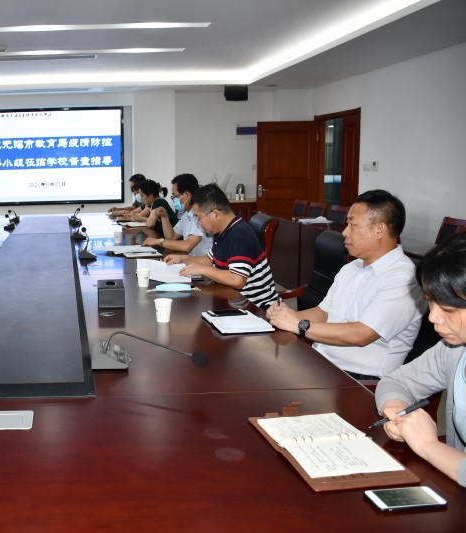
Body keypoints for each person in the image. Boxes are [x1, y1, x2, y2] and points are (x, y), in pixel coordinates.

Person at [267, 189, 425, 379]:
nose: (345, 232)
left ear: (379, 230)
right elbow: (324, 312)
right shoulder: (352, 267)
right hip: (322, 361)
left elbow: (361, 335)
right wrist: (284, 317)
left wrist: (299, 325)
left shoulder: (404, 279)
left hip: (360, 379)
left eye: (352, 224)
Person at [375, 232, 466, 487]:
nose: (433, 318)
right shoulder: (453, 350)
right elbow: (397, 382)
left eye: (448, 309)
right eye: (431, 303)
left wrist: (428, 445)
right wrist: (396, 411)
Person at [166, 183, 278, 310]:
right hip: (233, 299)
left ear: (216, 214)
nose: (198, 223)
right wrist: (183, 259)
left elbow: (237, 280)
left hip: (257, 308)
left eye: (199, 218)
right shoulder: (222, 231)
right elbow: (210, 260)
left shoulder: (240, 235)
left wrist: (202, 269)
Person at [142, 173, 210, 257]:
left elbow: (187, 246)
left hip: (202, 262)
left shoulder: (199, 215)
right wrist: (164, 216)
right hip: (191, 259)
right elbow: (171, 237)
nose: (174, 199)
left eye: (174, 196)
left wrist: (158, 241)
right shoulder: (186, 215)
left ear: (186, 195)